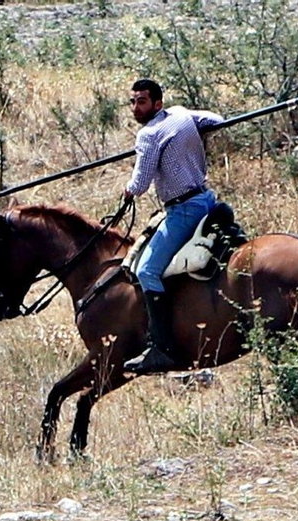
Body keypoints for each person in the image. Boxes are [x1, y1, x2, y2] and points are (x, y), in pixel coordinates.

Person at [121, 78, 224, 375]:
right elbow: (216, 120)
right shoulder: (181, 114)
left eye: (141, 101)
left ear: (157, 103)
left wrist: (127, 190)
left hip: (183, 210)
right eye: (133, 101)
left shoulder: (148, 135)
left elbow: (140, 185)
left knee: (146, 270)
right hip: (206, 199)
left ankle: (162, 348)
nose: (135, 107)